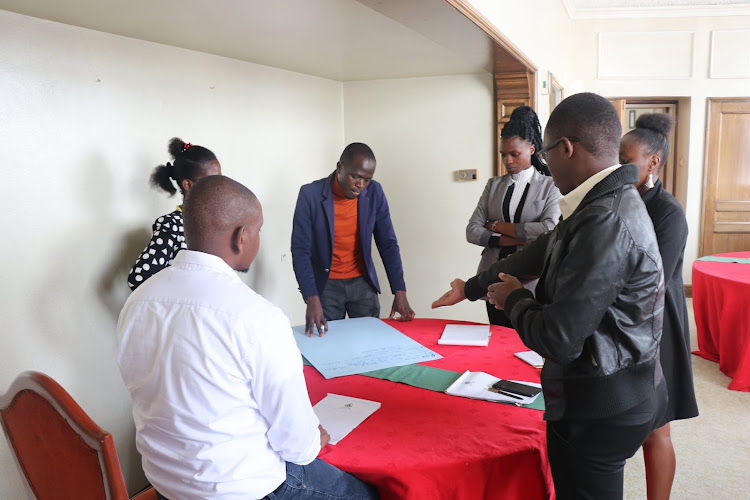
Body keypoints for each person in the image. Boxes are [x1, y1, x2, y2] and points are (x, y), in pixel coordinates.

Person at [432, 93, 668, 500]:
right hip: (608, 389)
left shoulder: (604, 220)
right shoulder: (596, 203)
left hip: (603, 400)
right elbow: (535, 254)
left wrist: (513, 299)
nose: (545, 166)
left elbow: (559, 337)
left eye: (545, 155)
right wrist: (469, 288)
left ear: (566, 148)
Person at [117, 175, 378, 500]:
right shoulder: (257, 317)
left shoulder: (138, 302)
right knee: (368, 493)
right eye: (258, 231)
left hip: (166, 485)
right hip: (244, 488)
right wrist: (315, 439)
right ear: (242, 237)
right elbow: (297, 445)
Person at [620, 113, 699, 500]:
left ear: (653, 162)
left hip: (658, 326)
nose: (618, 168)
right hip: (622, 323)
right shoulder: (617, 201)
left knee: (657, 427)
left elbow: (652, 281)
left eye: (626, 160)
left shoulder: (669, 213)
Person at [292, 142, 414, 336]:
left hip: (363, 285)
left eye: (367, 179)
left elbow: (388, 243)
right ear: (340, 167)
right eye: (355, 176)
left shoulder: (375, 192)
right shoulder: (310, 195)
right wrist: (311, 297)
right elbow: (300, 251)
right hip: (326, 287)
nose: (361, 185)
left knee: (370, 343)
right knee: (329, 345)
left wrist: (399, 290)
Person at [466, 106, 562, 327]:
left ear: (531, 148)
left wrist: (496, 225)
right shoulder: (494, 185)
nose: (507, 160)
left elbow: (548, 229)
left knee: (525, 345)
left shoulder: (549, 186)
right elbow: (472, 230)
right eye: (503, 154)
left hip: (529, 282)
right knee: (497, 340)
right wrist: (516, 237)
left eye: (514, 154)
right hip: (492, 276)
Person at [127, 137, 221, 290]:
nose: (219, 186)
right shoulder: (172, 225)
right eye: (212, 181)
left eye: (220, 179)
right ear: (188, 184)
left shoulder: (217, 223)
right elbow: (139, 278)